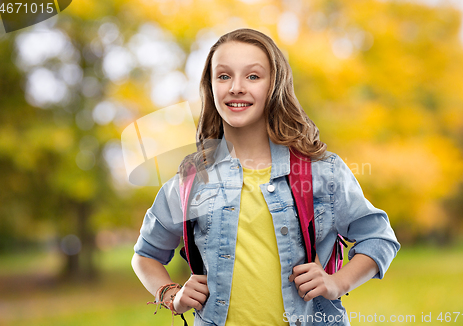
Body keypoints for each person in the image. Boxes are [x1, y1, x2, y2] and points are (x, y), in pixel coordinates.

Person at [132, 28, 400, 326]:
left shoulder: (322, 171)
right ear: (210, 87)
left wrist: (338, 283)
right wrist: (171, 294)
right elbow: (145, 255)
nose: (236, 87)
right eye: (223, 76)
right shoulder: (193, 181)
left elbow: (378, 238)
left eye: (253, 76)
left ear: (275, 86)